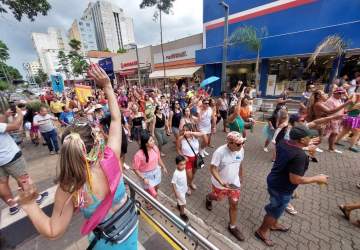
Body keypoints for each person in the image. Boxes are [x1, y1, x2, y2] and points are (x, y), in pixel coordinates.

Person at [10, 64, 139, 249]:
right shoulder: (111, 157)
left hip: (106, 243)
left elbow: (53, 230)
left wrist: (29, 204)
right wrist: (107, 86)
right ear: (96, 143)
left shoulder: (70, 186)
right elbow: (116, 119)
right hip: (129, 230)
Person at [255, 125, 329, 247]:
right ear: (301, 140)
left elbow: (293, 149)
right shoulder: (300, 156)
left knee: (278, 208)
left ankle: (273, 225)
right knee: (274, 211)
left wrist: (305, 146)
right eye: (308, 137)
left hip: (274, 180)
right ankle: (261, 231)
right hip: (282, 188)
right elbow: (295, 179)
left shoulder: (283, 142)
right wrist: (317, 178)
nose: (311, 138)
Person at [0, 107, 47, 215]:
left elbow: (1, 125)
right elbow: (15, 126)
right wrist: (20, 113)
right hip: (10, 156)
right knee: (23, 178)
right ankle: (36, 198)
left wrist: (6, 116)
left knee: (2, 183)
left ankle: (13, 206)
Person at [205, 132, 246, 242]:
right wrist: (221, 181)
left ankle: (232, 226)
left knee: (234, 204)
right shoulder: (220, 152)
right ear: (230, 143)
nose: (241, 145)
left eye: (243, 142)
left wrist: (240, 177)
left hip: (234, 184)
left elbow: (240, 163)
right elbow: (213, 168)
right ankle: (208, 198)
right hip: (220, 184)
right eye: (238, 144)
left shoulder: (241, 150)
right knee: (217, 198)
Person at [132, 131, 168, 202]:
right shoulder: (138, 155)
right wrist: (143, 178)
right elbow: (135, 169)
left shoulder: (155, 148)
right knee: (148, 191)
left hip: (156, 171)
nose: (154, 141)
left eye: (153, 139)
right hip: (146, 175)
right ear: (146, 144)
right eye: (151, 140)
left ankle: (153, 198)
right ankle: (147, 201)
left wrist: (163, 167)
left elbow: (158, 158)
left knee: (156, 186)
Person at [176, 124, 203, 196]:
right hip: (187, 160)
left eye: (187, 130)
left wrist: (191, 133)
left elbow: (202, 134)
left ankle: (190, 183)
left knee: (194, 173)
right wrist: (183, 156)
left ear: (191, 130)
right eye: (184, 130)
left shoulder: (195, 137)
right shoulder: (181, 138)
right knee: (189, 175)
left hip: (196, 159)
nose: (185, 132)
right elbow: (178, 149)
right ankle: (186, 186)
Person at [324, 88, 349, 153]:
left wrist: (344, 111)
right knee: (332, 133)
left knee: (334, 134)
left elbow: (341, 108)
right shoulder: (330, 100)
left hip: (338, 119)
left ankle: (331, 148)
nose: (341, 95)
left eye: (342, 93)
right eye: (339, 93)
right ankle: (330, 148)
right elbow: (330, 111)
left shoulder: (339, 100)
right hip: (332, 119)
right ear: (335, 93)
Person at [171, 155, 189, 222]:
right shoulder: (176, 173)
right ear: (177, 164)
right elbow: (173, 183)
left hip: (184, 189)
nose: (184, 166)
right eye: (181, 164)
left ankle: (179, 205)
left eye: (184, 164)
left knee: (181, 202)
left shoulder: (183, 169)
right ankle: (182, 214)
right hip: (179, 192)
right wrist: (176, 193)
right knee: (183, 203)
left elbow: (186, 159)